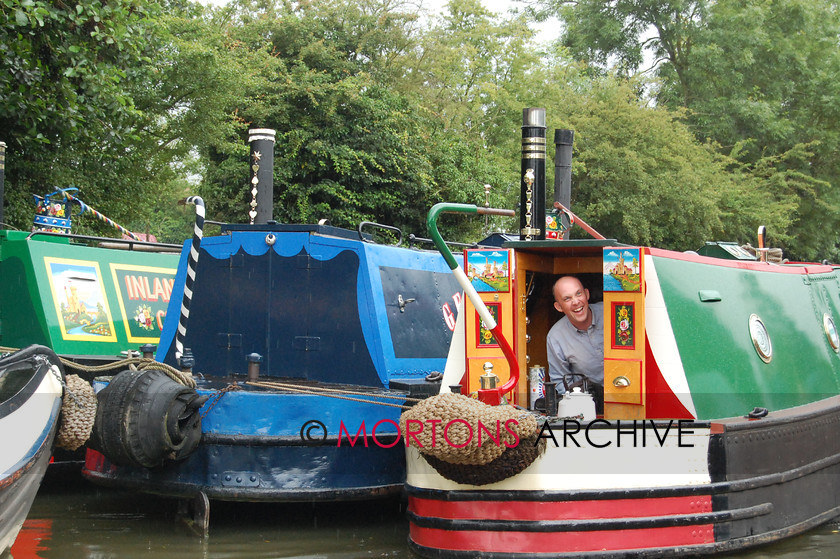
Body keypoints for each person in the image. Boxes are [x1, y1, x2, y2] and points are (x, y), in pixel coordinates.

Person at [546, 276, 604, 413]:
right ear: (558, 307)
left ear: (587, 294)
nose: (576, 302)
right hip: (590, 405)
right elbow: (560, 382)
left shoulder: (612, 313)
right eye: (567, 299)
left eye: (579, 294)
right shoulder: (555, 337)